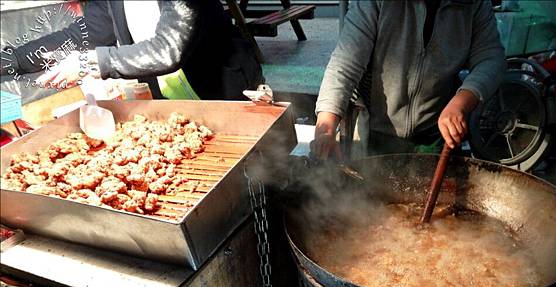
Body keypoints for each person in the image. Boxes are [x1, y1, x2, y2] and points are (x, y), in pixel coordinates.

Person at [313, 0, 506, 158]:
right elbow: (345, 63)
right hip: (374, 130)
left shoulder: (473, 4)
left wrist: (462, 101)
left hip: (436, 132)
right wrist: (326, 127)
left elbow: (490, 58)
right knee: (366, 198)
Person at [1, 0, 263, 100]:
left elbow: (168, 50)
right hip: (167, 94)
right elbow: (84, 35)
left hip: (222, 89)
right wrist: (11, 60)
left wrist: (88, 64)